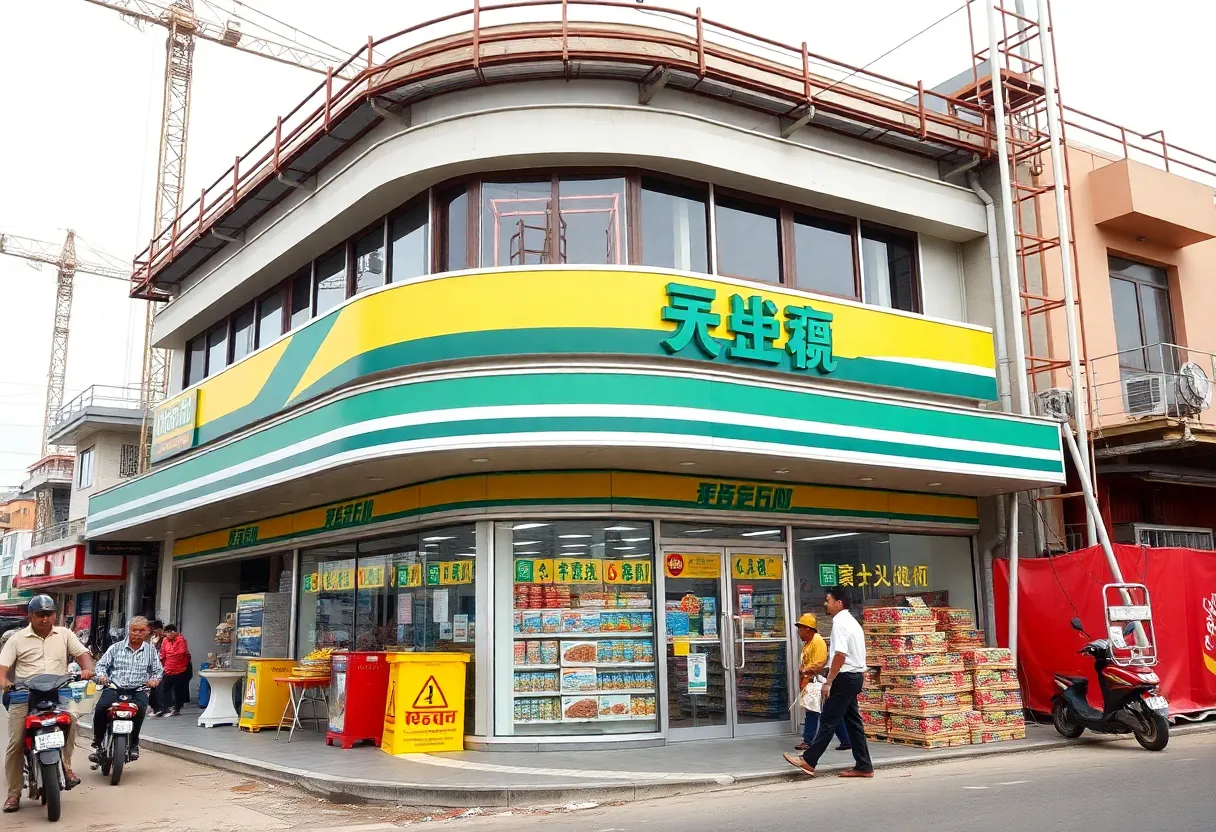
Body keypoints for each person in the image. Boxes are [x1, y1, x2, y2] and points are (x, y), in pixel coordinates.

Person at [0, 595, 95, 814]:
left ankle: (67, 767)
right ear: (30, 616)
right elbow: (2, 668)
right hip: (25, 693)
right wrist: (5, 682)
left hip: (58, 690)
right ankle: (14, 793)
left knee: (72, 721)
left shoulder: (65, 634)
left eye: (49, 614)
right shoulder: (16, 639)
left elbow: (82, 654)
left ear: (54, 615)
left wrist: (87, 669)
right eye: (40, 615)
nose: (45, 619)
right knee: (16, 742)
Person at [784, 586, 873, 778]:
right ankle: (864, 765)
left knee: (827, 720)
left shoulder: (840, 623)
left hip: (844, 677)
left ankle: (809, 761)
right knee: (853, 723)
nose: (825, 604)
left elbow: (840, 655)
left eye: (828, 600)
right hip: (854, 676)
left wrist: (829, 681)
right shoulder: (852, 622)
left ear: (839, 603)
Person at [88, 617, 162, 763]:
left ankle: (134, 744)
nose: (137, 633)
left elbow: (158, 670)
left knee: (141, 710)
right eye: (134, 630)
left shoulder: (150, 651)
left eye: (141, 630)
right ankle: (98, 742)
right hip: (114, 688)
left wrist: (154, 680)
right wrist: (102, 676)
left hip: (138, 689)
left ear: (147, 631)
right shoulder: (115, 648)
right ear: (129, 630)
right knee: (101, 707)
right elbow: (101, 665)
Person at [793, 612, 850, 753]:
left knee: (812, 710)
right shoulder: (808, 643)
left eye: (800, 629)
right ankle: (846, 740)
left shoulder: (817, 642)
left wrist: (805, 672)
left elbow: (818, 664)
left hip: (816, 681)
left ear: (807, 629)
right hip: (812, 680)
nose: (799, 632)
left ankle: (808, 741)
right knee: (831, 712)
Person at [156, 625, 190, 717]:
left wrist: (170, 655)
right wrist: (163, 664)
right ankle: (164, 708)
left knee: (178, 689)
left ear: (174, 632)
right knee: (164, 689)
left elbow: (181, 652)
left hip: (180, 669)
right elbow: (163, 654)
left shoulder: (181, 640)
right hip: (168, 668)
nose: (168, 635)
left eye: (169, 632)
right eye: (166, 633)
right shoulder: (165, 640)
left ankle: (176, 708)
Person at [147, 620, 164, 716]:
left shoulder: (163, 639)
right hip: (153, 665)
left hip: (160, 665)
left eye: (154, 629)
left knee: (157, 688)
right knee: (153, 688)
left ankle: (158, 708)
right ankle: (155, 707)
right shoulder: (152, 638)